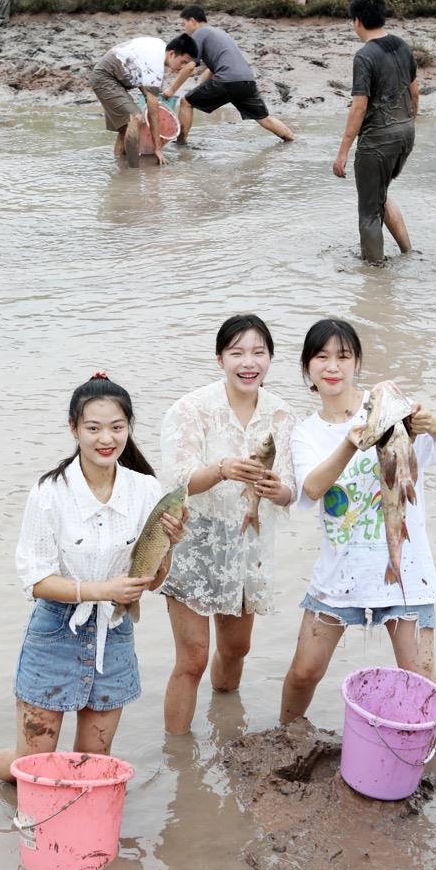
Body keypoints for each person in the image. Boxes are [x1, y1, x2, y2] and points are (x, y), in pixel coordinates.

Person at [0, 374, 185, 782]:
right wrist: (103, 590)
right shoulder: (49, 493)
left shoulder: (146, 489)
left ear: (129, 427)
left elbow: (152, 578)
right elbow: (36, 580)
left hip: (113, 634)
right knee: (32, 768)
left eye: (117, 427)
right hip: (55, 630)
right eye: (93, 428)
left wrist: (171, 547)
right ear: (73, 428)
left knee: (91, 767)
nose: (105, 439)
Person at [280, 318, 436, 749]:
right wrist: (349, 443)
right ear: (307, 369)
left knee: (422, 678)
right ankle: (282, 740)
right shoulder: (306, 433)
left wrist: (431, 424)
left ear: (357, 362)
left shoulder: (390, 411)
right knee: (305, 671)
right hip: (341, 574)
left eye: (343, 357)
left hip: (407, 572)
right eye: (321, 358)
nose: (332, 367)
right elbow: (312, 488)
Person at [160, 314, 296, 735]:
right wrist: (221, 469)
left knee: (237, 648)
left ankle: (226, 727)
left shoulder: (281, 414)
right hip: (192, 541)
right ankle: (178, 759)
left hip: (247, 545)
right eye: (237, 352)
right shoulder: (191, 409)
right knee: (193, 658)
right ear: (220, 358)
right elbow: (178, 483)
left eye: (258, 352)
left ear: (271, 358)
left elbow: (292, 488)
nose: (248, 362)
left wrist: (278, 489)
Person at [332, 0, 417, 265]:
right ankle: (408, 253)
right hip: (405, 132)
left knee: (369, 211)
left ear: (357, 21)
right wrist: (408, 124)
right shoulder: (402, 46)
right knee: (380, 194)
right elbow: (415, 92)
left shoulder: (365, 56)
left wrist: (343, 151)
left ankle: (375, 275)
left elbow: (359, 107)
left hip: (378, 141)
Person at [176, 5, 294, 143]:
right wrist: (200, 86)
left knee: (185, 102)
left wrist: (171, 89)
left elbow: (190, 66)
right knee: (264, 119)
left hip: (227, 81)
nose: (184, 28)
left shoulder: (199, 33)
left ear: (192, 21)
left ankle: (181, 144)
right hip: (247, 81)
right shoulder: (220, 33)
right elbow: (214, 68)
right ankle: (291, 139)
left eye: (183, 24)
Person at [90, 34, 198, 167]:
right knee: (136, 118)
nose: (183, 67)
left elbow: (140, 72)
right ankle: (134, 172)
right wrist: (157, 149)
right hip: (105, 78)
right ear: (171, 54)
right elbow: (153, 108)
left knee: (125, 128)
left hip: (112, 78)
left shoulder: (159, 47)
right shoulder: (156, 63)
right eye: (183, 62)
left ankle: (120, 168)